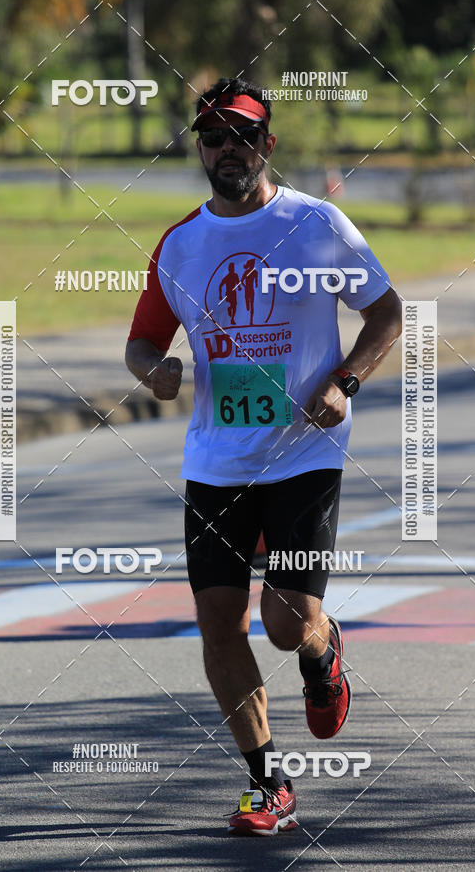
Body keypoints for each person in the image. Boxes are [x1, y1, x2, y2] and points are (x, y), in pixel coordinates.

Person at [125, 77, 402, 836]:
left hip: (303, 451)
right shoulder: (182, 244)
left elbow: (387, 310)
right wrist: (154, 370)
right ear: (200, 148)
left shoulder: (317, 224)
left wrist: (346, 380)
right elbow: (143, 339)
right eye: (213, 136)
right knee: (219, 626)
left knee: (284, 622)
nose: (228, 149)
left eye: (242, 136)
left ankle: (322, 650)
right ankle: (267, 780)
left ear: (266, 145)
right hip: (217, 459)